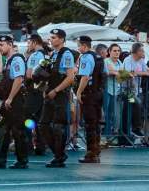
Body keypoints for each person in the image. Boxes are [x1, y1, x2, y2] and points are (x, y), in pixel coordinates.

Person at [0, 35, 28, 169]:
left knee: (17, 131)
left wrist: (10, 98)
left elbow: (19, 79)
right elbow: (6, 84)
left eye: (2, 45)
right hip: (8, 100)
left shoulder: (16, 59)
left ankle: (22, 161)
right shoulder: (8, 61)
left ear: (10, 44)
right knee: (3, 130)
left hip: (16, 101)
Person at [39, 28, 76, 168]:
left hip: (60, 94)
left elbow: (70, 77)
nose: (51, 39)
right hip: (50, 93)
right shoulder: (53, 54)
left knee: (58, 126)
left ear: (61, 39)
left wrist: (56, 90)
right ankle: (58, 153)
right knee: (43, 125)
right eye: (51, 37)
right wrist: (45, 88)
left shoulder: (66, 54)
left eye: (54, 37)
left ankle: (59, 157)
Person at [75, 36, 104, 163]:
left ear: (84, 46)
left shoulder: (86, 57)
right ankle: (96, 151)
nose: (78, 48)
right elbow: (105, 74)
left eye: (79, 45)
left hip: (89, 94)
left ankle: (91, 154)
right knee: (96, 123)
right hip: (98, 93)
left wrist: (79, 91)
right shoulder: (99, 57)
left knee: (89, 124)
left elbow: (85, 77)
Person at [24, 34, 47, 155]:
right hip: (43, 91)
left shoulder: (35, 55)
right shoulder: (47, 54)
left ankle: (28, 145)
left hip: (33, 90)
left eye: (29, 43)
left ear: (34, 42)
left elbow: (29, 74)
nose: (28, 45)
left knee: (27, 118)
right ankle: (40, 146)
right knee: (39, 119)